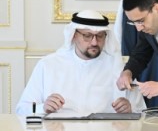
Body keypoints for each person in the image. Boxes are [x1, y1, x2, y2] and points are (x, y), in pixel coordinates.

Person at [16, 10, 146, 115]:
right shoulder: (48, 65)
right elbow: (21, 109)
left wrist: (130, 109)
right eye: (87, 36)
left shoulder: (119, 68)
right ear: (73, 35)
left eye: (100, 36)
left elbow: (141, 110)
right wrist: (43, 108)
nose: (94, 42)